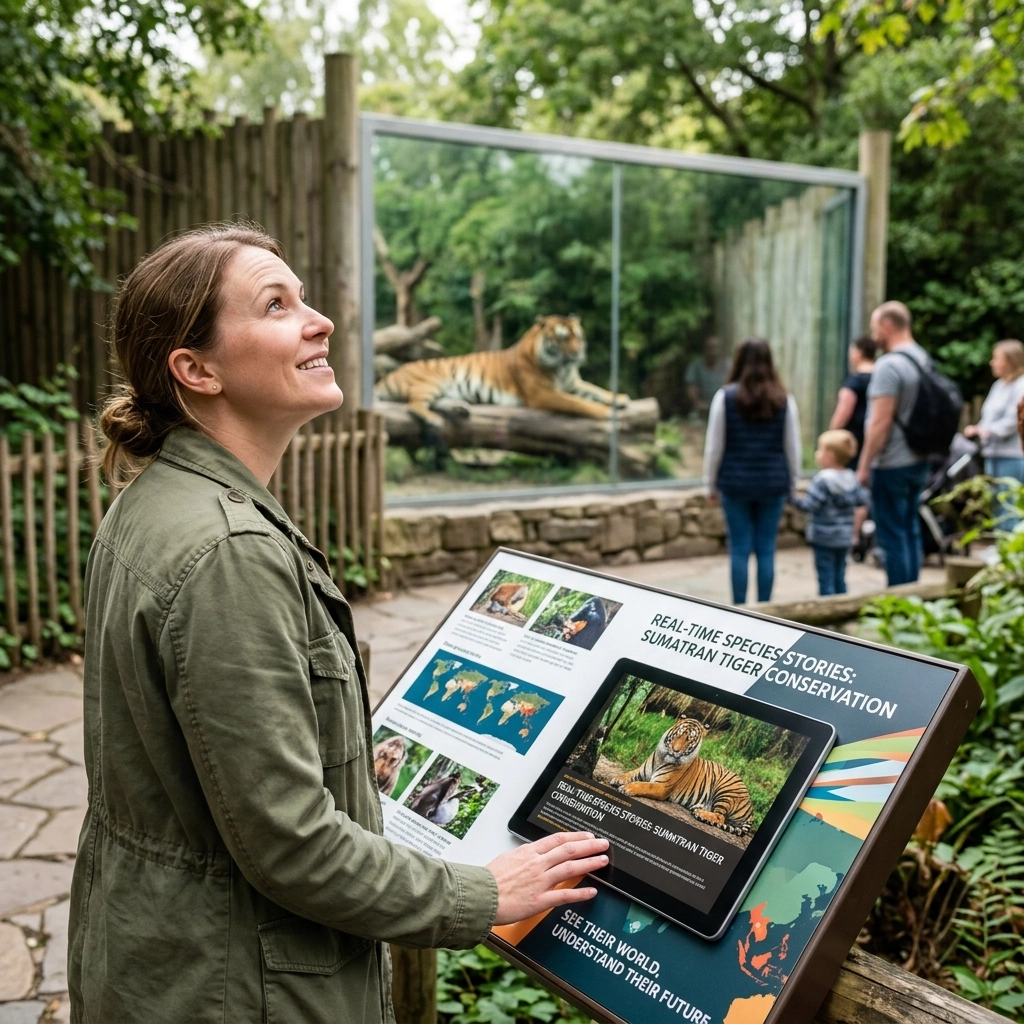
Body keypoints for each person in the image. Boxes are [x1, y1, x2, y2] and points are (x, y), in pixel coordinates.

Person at [68, 224, 609, 1024]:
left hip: (159, 953)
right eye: (277, 305)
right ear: (196, 369)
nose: (318, 320)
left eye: (305, 297)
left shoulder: (154, 504)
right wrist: (482, 892)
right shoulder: (228, 552)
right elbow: (291, 844)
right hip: (241, 986)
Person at [703, 338, 801, 604]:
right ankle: (766, 608)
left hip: (735, 486)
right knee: (767, 549)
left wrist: (710, 485)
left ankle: (740, 608)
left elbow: (715, 447)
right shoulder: (784, 398)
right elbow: (792, 447)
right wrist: (793, 483)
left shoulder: (725, 397)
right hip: (773, 485)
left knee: (739, 549)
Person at [856, 301, 930, 586]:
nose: (874, 335)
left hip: (891, 462)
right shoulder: (922, 358)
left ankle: (899, 604)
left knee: (891, 534)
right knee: (909, 528)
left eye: (875, 328)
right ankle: (913, 598)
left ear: (887, 326)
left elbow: (880, 422)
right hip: (919, 458)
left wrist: (864, 465)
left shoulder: (889, 365)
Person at [791, 430, 871, 596]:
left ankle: (827, 606)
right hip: (844, 537)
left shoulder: (822, 480)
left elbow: (809, 505)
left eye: (820, 450)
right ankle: (842, 604)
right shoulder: (851, 478)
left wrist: (793, 498)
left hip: (823, 537)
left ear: (830, 455)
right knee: (840, 574)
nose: (817, 454)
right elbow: (863, 501)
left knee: (825, 576)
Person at [964, 339, 1024, 524]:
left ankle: (1012, 548)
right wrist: (979, 428)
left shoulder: (1021, 385)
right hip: (993, 454)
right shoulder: (998, 385)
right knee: (996, 501)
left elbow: (1015, 420)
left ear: (1011, 361)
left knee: (1010, 503)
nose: (992, 362)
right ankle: (1000, 544)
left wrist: (988, 431)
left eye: (996, 358)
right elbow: (988, 416)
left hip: (1012, 455)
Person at [829, 335, 877, 467]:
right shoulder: (880, 376)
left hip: (854, 440)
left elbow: (844, 410)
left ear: (858, 352)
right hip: (875, 438)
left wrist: (831, 433)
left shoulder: (855, 380)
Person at [686, 335, 729, 417]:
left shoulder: (727, 366)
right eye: (710, 348)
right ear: (705, 349)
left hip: (723, 408)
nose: (713, 351)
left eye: (716, 347)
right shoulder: (696, 365)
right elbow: (691, 387)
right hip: (702, 408)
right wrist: (697, 403)